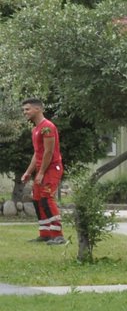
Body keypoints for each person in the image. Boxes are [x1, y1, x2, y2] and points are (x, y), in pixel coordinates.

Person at [21, 99, 65, 245]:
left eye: (27, 109)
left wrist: (40, 173)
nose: (25, 112)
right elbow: (37, 153)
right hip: (41, 169)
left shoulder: (48, 127)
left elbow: (49, 152)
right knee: (37, 199)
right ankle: (45, 233)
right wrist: (28, 172)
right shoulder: (35, 130)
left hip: (51, 168)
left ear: (38, 109)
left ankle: (58, 235)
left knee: (47, 197)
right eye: (24, 110)